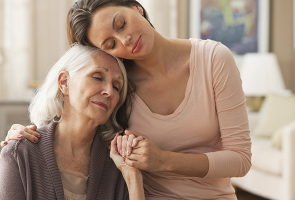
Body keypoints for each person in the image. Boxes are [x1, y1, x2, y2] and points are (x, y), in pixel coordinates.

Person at [2, 0, 252, 199]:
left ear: (137, 7)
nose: (125, 40)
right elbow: (78, 116)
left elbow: (240, 160)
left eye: (121, 24)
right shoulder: (120, 88)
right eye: (110, 43)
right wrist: (21, 141)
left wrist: (163, 161)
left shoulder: (213, 59)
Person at [0, 44, 145, 200]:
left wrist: (133, 177)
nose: (109, 92)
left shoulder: (117, 165)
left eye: (116, 86)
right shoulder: (20, 153)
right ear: (64, 82)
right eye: (97, 77)